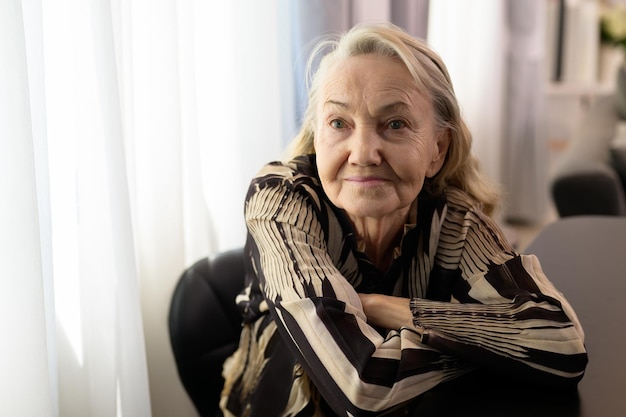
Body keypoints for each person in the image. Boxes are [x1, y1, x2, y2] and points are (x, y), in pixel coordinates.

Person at [220, 23, 587, 417]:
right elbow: (362, 385)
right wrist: (495, 347)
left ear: (437, 149)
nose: (363, 153)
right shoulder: (281, 200)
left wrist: (383, 307)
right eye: (339, 123)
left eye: (395, 124)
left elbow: (561, 341)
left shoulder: (452, 219)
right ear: (317, 134)